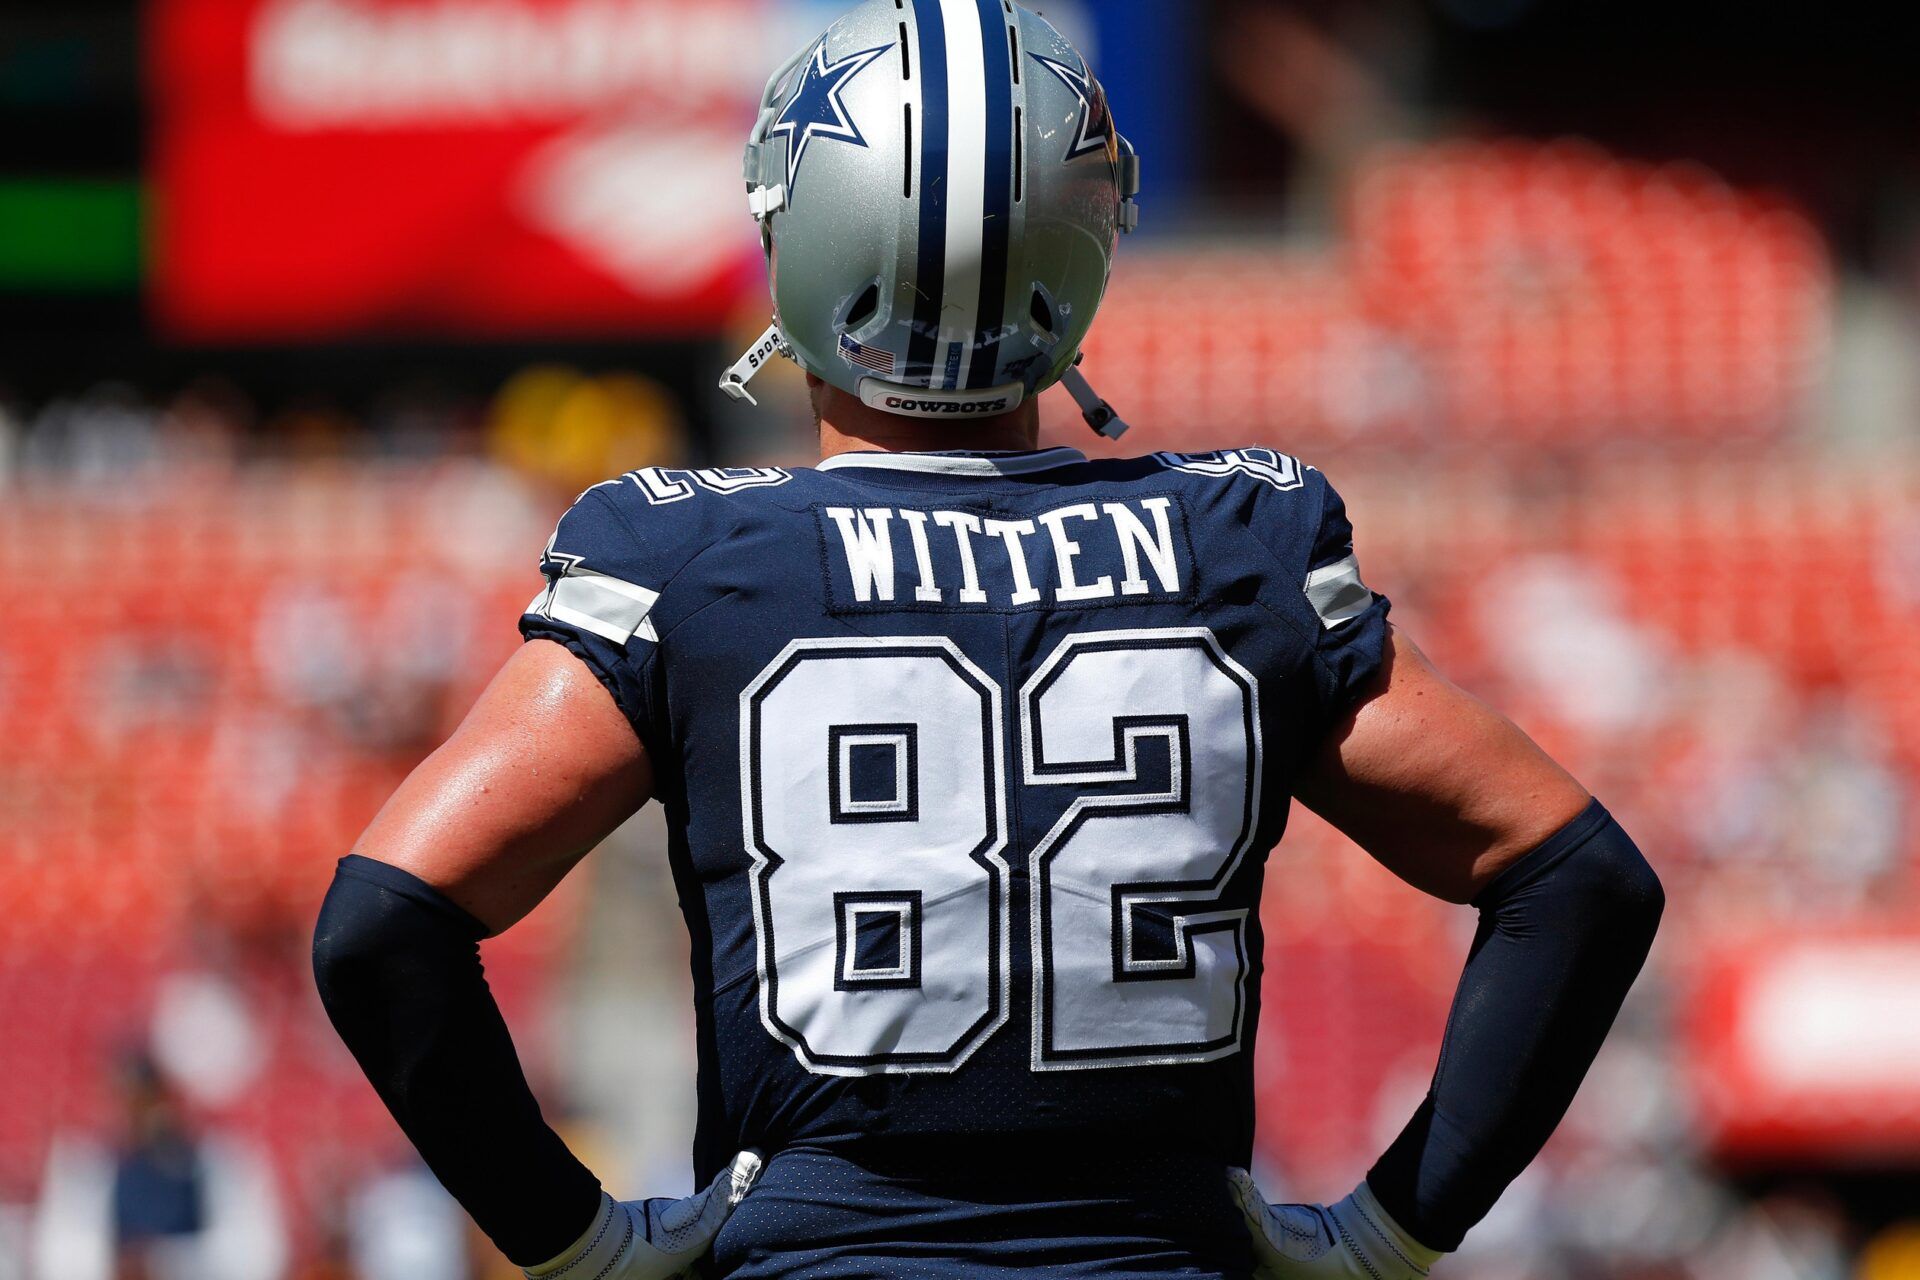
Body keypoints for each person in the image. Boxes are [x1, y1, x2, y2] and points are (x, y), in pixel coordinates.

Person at [311, 2, 1664, 1276]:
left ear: (804, 233)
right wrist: (1391, 1233)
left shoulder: (686, 559)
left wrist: (573, 1239)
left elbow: (385, 927)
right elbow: (1577, 884)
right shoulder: (1237, 545)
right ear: (1080, 256)